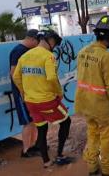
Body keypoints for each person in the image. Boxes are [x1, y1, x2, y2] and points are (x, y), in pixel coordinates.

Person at [74, 15, 109, 176]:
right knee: (107, 137)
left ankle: (92, 166)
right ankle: (108, 168)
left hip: (85, 104)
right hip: (101, 107)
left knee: (92, 134)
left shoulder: (83, 51)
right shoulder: (106, 56)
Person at [13, 29, 73, 168]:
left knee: (41, 129)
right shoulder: (48, 56)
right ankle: (59, 155)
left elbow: (16, 76)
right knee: (66, 122)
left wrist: (23, 92)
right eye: (55, 45)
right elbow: (52, 78)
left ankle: (46, 161)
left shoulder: (25, 55)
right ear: (51, 41)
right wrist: (59, 92)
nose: (55, 48)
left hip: (31, 102)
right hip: (47, 101)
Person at [9, 29, 40, 158]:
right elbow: (13, 73)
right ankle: (26, 150)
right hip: (22, 93)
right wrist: (22, 91)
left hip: (30, 92)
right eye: (37, 41)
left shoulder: (27, 51)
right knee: (28, 122)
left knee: (34, 120)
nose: (38, 44)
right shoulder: (18, 51)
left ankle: (33, 145)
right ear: (32, 39)